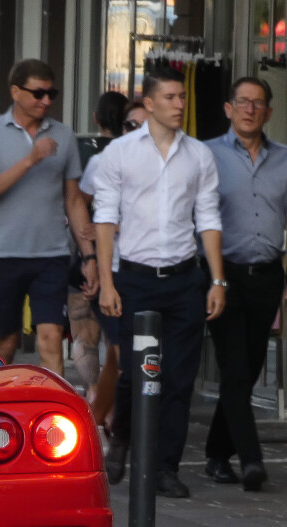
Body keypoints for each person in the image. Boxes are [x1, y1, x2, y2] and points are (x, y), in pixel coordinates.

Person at [95, 67, 226, 498]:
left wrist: (217, 280)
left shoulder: (199, 155)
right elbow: (106, 218)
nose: (179, 104)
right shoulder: (121, 153)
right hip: (134, 277)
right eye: (170, 97)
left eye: (182, 97)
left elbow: (207, 217)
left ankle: (165, 467)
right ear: (148, 104)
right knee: (134, 375)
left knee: (179, 377)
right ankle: (122, 441)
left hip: (184, 278)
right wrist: (108, 281)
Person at [0, 59, 98, 372]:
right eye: (38, 93)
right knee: (5, 343)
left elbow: (74, 201)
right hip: (4, 254)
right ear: (15, 91)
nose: (46, 101)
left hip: (51, 255)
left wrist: (89, 257)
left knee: (51, 337)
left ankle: (53, 417)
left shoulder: (64, 135)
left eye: (51, 93)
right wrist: (30, 159)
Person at [201, 77, 287, 493]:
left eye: (259, 103)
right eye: (243, 102)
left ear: (269, 112)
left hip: (268, 277)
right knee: (234, 367)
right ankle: (251, 460)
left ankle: (217, 452)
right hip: (223, 276)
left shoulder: (285, 159)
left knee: (248, 371)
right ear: (228, 108)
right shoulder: (207, 156)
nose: (251, 109)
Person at [75, 96, 148, 431]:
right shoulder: (104, 161)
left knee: (126, 355)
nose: (138, 131)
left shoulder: (172, 164)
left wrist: (118, 224)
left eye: (146, 125)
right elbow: (78, 203)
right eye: (132, 125)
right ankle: (106, 419)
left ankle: (106, 415)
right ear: (122, 128)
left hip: (152, 270)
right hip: (113, 269)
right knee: (119, 352)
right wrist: (88, 250)